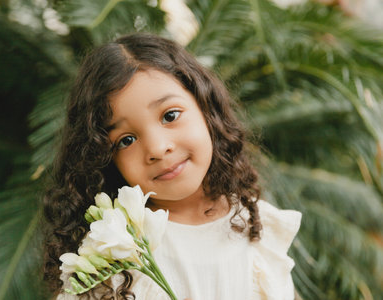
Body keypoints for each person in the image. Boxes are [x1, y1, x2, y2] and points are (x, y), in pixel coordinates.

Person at [43, 32, 302, 300]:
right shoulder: (115, 258)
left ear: (205, 108)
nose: (157, 148)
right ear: (103, 158)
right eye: (126, 140)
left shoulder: (258, 225)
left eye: (170, 115)